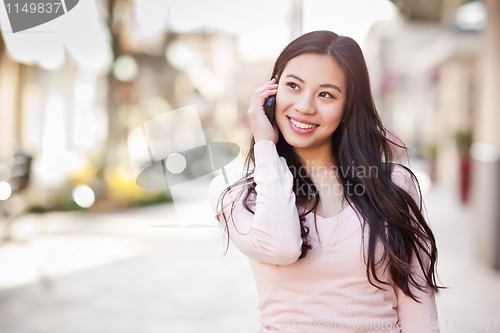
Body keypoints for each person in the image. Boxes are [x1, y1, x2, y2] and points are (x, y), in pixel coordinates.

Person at [209, 30, 442, 333]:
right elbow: (282, 247)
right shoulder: (236, 196)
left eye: (326, 94)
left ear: (348, 109)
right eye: (293, 86)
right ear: (271, 92)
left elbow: (417, 297)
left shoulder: (393, 185)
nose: (305, 106)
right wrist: (265, 148)